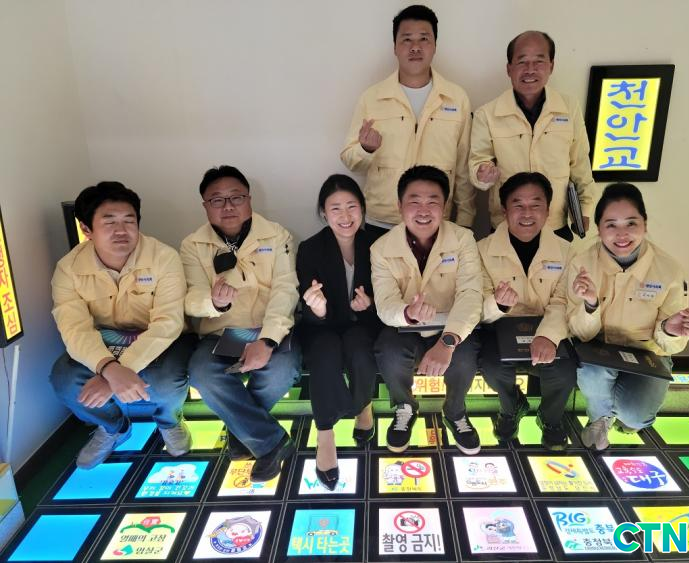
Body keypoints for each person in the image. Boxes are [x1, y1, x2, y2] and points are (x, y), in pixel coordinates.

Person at [538, 183, 689, 450]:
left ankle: (622, 414)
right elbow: (581, 334)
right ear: (599, 228)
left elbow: (672, 346)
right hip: (599, 351)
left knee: (637, 417)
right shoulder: (582, 263)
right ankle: (600, 417)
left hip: (648, 354)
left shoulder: (669, 270)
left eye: (631, 223)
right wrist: (590, 304)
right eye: (611, 225)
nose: (621, 234)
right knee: (592, 373)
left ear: (645, 224)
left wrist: (669, 329)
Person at [50, 182, 192, 469]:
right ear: (86, 229)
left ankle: (169, 421)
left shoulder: (164, 257)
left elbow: (168, 322)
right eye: (109, 222)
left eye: (129, 220)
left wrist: (117, 372)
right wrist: (109, 368)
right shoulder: (69, 268)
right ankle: (114, 427)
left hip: (158, 340)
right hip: (104, 343)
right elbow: (74, 328)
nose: (121, 230)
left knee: (167, 382)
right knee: (64, 379)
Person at [181, 165, 300, 481]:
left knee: (281, 371)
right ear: (205, 206)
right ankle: (271, 442)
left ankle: (243, 431)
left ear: (249, 199)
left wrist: (268, 340)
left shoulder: (277, 235)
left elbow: (286, 290)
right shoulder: (193, 245)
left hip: (269, 327)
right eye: (217, 200)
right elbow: (191, 298)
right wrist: (214, 302)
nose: (228, 206)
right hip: (225, 332)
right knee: (203, 373)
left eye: (236, 197)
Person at [371, 165, 482, 455]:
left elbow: (471, 295)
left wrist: (448, 341)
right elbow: (384, 304)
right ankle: (405, 406)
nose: (423, 210)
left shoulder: (463, 239)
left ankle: (455, 411)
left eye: (433, 201)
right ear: (399, 206)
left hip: (451, 326)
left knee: (465, 357)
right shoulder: (381, 248)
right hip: (405, 326)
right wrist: (408, 313)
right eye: (414, 201)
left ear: (444, 206)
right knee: (388, 352)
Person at [341, 4, 475, 237]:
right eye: (406, 40)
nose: (415, 47)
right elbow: (350, 160)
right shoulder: (372, 98)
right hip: (382, 222)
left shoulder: (456, 98)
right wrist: (365, 149)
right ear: (395, 47)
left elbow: (463, 167)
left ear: (435, 46)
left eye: (424, 39)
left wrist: (465, 221)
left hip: (436, 220)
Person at [477, 172, 576, 451]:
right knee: (492, 368)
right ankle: (511, 407)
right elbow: (475, 305)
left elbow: (563, 301)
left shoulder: (568, 252)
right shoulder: (481, 250)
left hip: (549, 328)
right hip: (500, 327)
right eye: (518, 205)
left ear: (548, 210)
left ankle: (550, 418)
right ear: (504, 210)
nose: (527, 213)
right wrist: (497, 304)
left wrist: (548, 336)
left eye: (536, 205)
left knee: (565, 372)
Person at [296, 174, 382, 490]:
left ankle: (363, 406)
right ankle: (325, 433)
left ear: (362, 208)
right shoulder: (310, 248)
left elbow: (392, 294)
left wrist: (370, 305)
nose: (345, 216)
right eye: (335, 208)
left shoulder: (379, 243)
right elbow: (307, 304)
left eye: (351, 206)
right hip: (323, 327)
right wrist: (317, 310)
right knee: (325, 351)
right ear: (323, 213)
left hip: (364, 324)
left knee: (359, 347)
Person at [469, 30, 595, 240]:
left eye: (539, 61)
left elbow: (580, 163)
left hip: (554, 224)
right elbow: (477, 163)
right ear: (509, 68)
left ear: (551, 66)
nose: (530, 70)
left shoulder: (569, 107)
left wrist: (585, 209)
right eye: (522, 62)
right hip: (506, 225)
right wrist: (482, 175)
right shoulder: (487, 114)